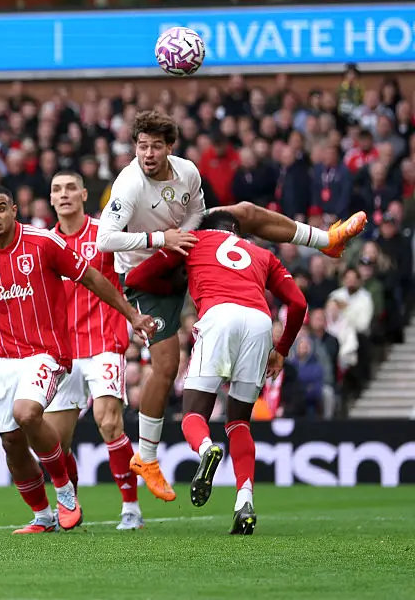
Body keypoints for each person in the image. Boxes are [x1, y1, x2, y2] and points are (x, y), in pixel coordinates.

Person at [97, 110, 366, 502]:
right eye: (142, 146)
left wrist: (189, 238)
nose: (149, 153)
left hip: (185, 248)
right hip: (148, 272)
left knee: (243, 212)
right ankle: (148, 458)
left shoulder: (187, 171)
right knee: (167, 364)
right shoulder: (127, 185)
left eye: (156, 146)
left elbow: (195, 213)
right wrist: (161, 240)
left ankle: (327, 240)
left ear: (170, 147)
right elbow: (105, 239)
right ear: (134, 147)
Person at [0, 185, 155, 534]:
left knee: (27, 413)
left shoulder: (43, 242)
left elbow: (91, 277)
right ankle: (43, 517)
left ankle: (65, 491)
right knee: (11, 443)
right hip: (2, 359)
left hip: (47, 352)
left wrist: (132, 316)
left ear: (14, 210)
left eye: (1, 208)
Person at [124, 210, 308, 534]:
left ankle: (208, 450)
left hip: (218, 315)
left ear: (203, 227)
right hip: (259, 322)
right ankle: (245, 500)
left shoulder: (192, 240)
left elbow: (136, 279)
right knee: (239, 421)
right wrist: (282, 349)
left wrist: (177, 282)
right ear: (238, 231)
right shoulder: (262, 254)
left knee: (194, 414)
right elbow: (298, 304)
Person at [44, 172, 142, 530]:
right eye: (57, 190)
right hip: (61, 351)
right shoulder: (44, 242)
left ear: (84, 194)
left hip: (103, 341)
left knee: (108, 422)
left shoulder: (106, 234)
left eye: (71, 188)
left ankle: (130, 508)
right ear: (51, 199)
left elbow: (136, 268)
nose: (65, 194)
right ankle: (69, 506)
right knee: (57, 441)